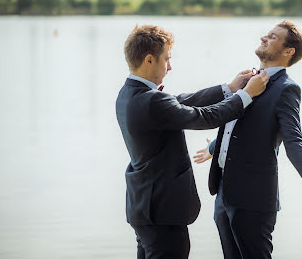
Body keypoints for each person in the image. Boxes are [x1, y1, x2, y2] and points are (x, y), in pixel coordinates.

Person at [115, 24, 269, 259]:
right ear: (148, 60)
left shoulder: (128, 94)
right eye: (166, 59)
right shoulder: (152, 101)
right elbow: (203, 117)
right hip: (163, 212)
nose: (169, 66)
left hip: (144, 209)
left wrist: (228, 88)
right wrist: (246, 95)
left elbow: (181, 102)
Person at [193, 20, 302, 259]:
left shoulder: (286, 89)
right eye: (267, 34)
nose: (263, 39)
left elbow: (293, 139)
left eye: (273, 37)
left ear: (289, 52)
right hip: (224, 192)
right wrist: (215, 148)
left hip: (253, 199)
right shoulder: (246, 80)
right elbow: (242, 125)